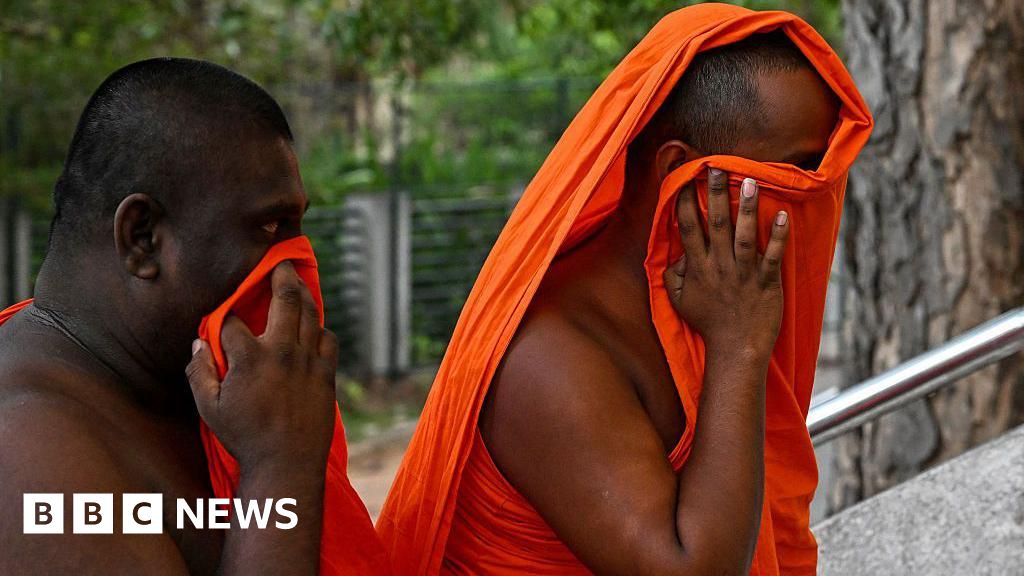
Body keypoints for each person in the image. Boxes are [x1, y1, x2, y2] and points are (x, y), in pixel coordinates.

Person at [378, 5, 873, 576]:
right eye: (796, 171)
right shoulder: (551, 356)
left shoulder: (709, 301)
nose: (814, 198)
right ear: (679, 173)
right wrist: (739, 347)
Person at [0, 58, 388, 574]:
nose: (295, 272)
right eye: (269, 229)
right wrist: (279, 465)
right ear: (142, 238)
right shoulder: (29, 451)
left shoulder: (189, 392)